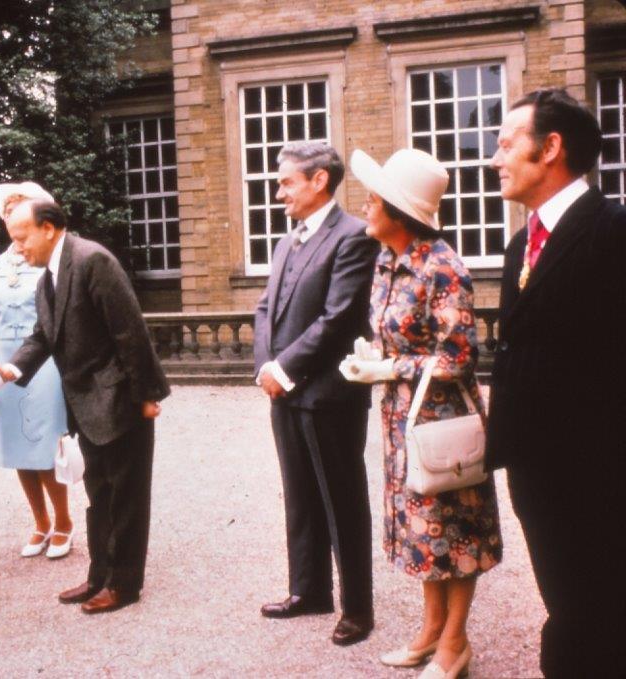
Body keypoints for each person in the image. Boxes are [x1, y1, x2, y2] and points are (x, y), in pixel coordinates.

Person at [342, 148, 502, 679]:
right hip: (401, 418)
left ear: (397, 210)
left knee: (453, 533)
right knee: (423, 533)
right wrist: (374, 362)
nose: (365, 206)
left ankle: (455, 643)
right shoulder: (388, 260)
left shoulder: (443, 267)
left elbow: (458, 358)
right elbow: (395, 337)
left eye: (374, 199)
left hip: (442, 422)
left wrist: (391, 369)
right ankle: (431, 631)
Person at [487, 88, 626, 677]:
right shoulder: (524, 242)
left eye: (505, 143)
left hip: (598, 475)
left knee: (595, 616)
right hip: (538, 474)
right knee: (568, 601)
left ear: (551, 148)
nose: (494, 158)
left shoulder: (612, 230)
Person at [0, 199, 170, 614]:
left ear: (49, 228)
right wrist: (11, 371)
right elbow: (42, 336)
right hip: (86, 405)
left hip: (119, 398)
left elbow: (131, 333)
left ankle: (124, 584)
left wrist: (147, 397)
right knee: (98, 493)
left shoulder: (93, 261)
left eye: (22, 238)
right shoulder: (46, 280)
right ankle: (98, 577)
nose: (17, 249)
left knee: (126, 496)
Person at [252, 142, 378, 646]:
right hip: (285, 391)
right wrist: (267, 366)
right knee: (300, 494)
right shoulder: (288, 241)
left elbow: (339, 316)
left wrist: (284, 367)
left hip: (329, 393)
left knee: (341, 499)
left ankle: (358, 608)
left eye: (286, 182)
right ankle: (309, 590)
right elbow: (264, 309)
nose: (278, 191)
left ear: (319, 181)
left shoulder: (353, 237)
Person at [0, 181, 72, 559]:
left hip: (44, 366)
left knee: (44, 448)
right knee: (17, 450)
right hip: (3, 365)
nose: (12, 214)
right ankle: (40, 522)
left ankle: (64, 521)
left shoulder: (48, 260)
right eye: (7, 210)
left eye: (20, 208)